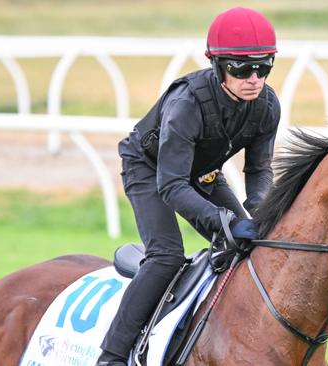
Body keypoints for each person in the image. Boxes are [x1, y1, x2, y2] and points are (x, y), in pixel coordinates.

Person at [97, 7, 281, 365]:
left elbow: (259, 169)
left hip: (202, 172)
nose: (254, 78)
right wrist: (225, 220)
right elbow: (171, 185)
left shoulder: (267, 105)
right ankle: (113, 354)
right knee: (166, 255)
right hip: (150, 170)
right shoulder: (187, 103)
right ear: (217, 64)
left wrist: (261, 211)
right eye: (241, 68)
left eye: (265, 66)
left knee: (248, 246)